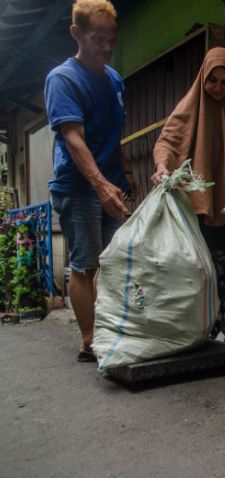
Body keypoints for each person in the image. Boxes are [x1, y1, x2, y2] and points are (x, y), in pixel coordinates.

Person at [152, 47, 225, 343]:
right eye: (212, 80)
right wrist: (162, 165)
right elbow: (169, 140)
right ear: (203, 78)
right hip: (200, 209)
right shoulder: (190, 107)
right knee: (202, 273)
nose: (218, 88)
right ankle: (202, 331)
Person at [45, 0, 136, 362]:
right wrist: (100, 185)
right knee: (86, 264)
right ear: (76, 33)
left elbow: (112, 135)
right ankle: (89, 341)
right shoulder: (63, 79)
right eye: (98, 38)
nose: (107, 46)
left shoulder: (114, 79)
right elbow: (74, 138)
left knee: (116, 260)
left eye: (111, 38)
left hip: (110, 180)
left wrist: (125, 173)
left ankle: (111, 328)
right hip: (78, 185)